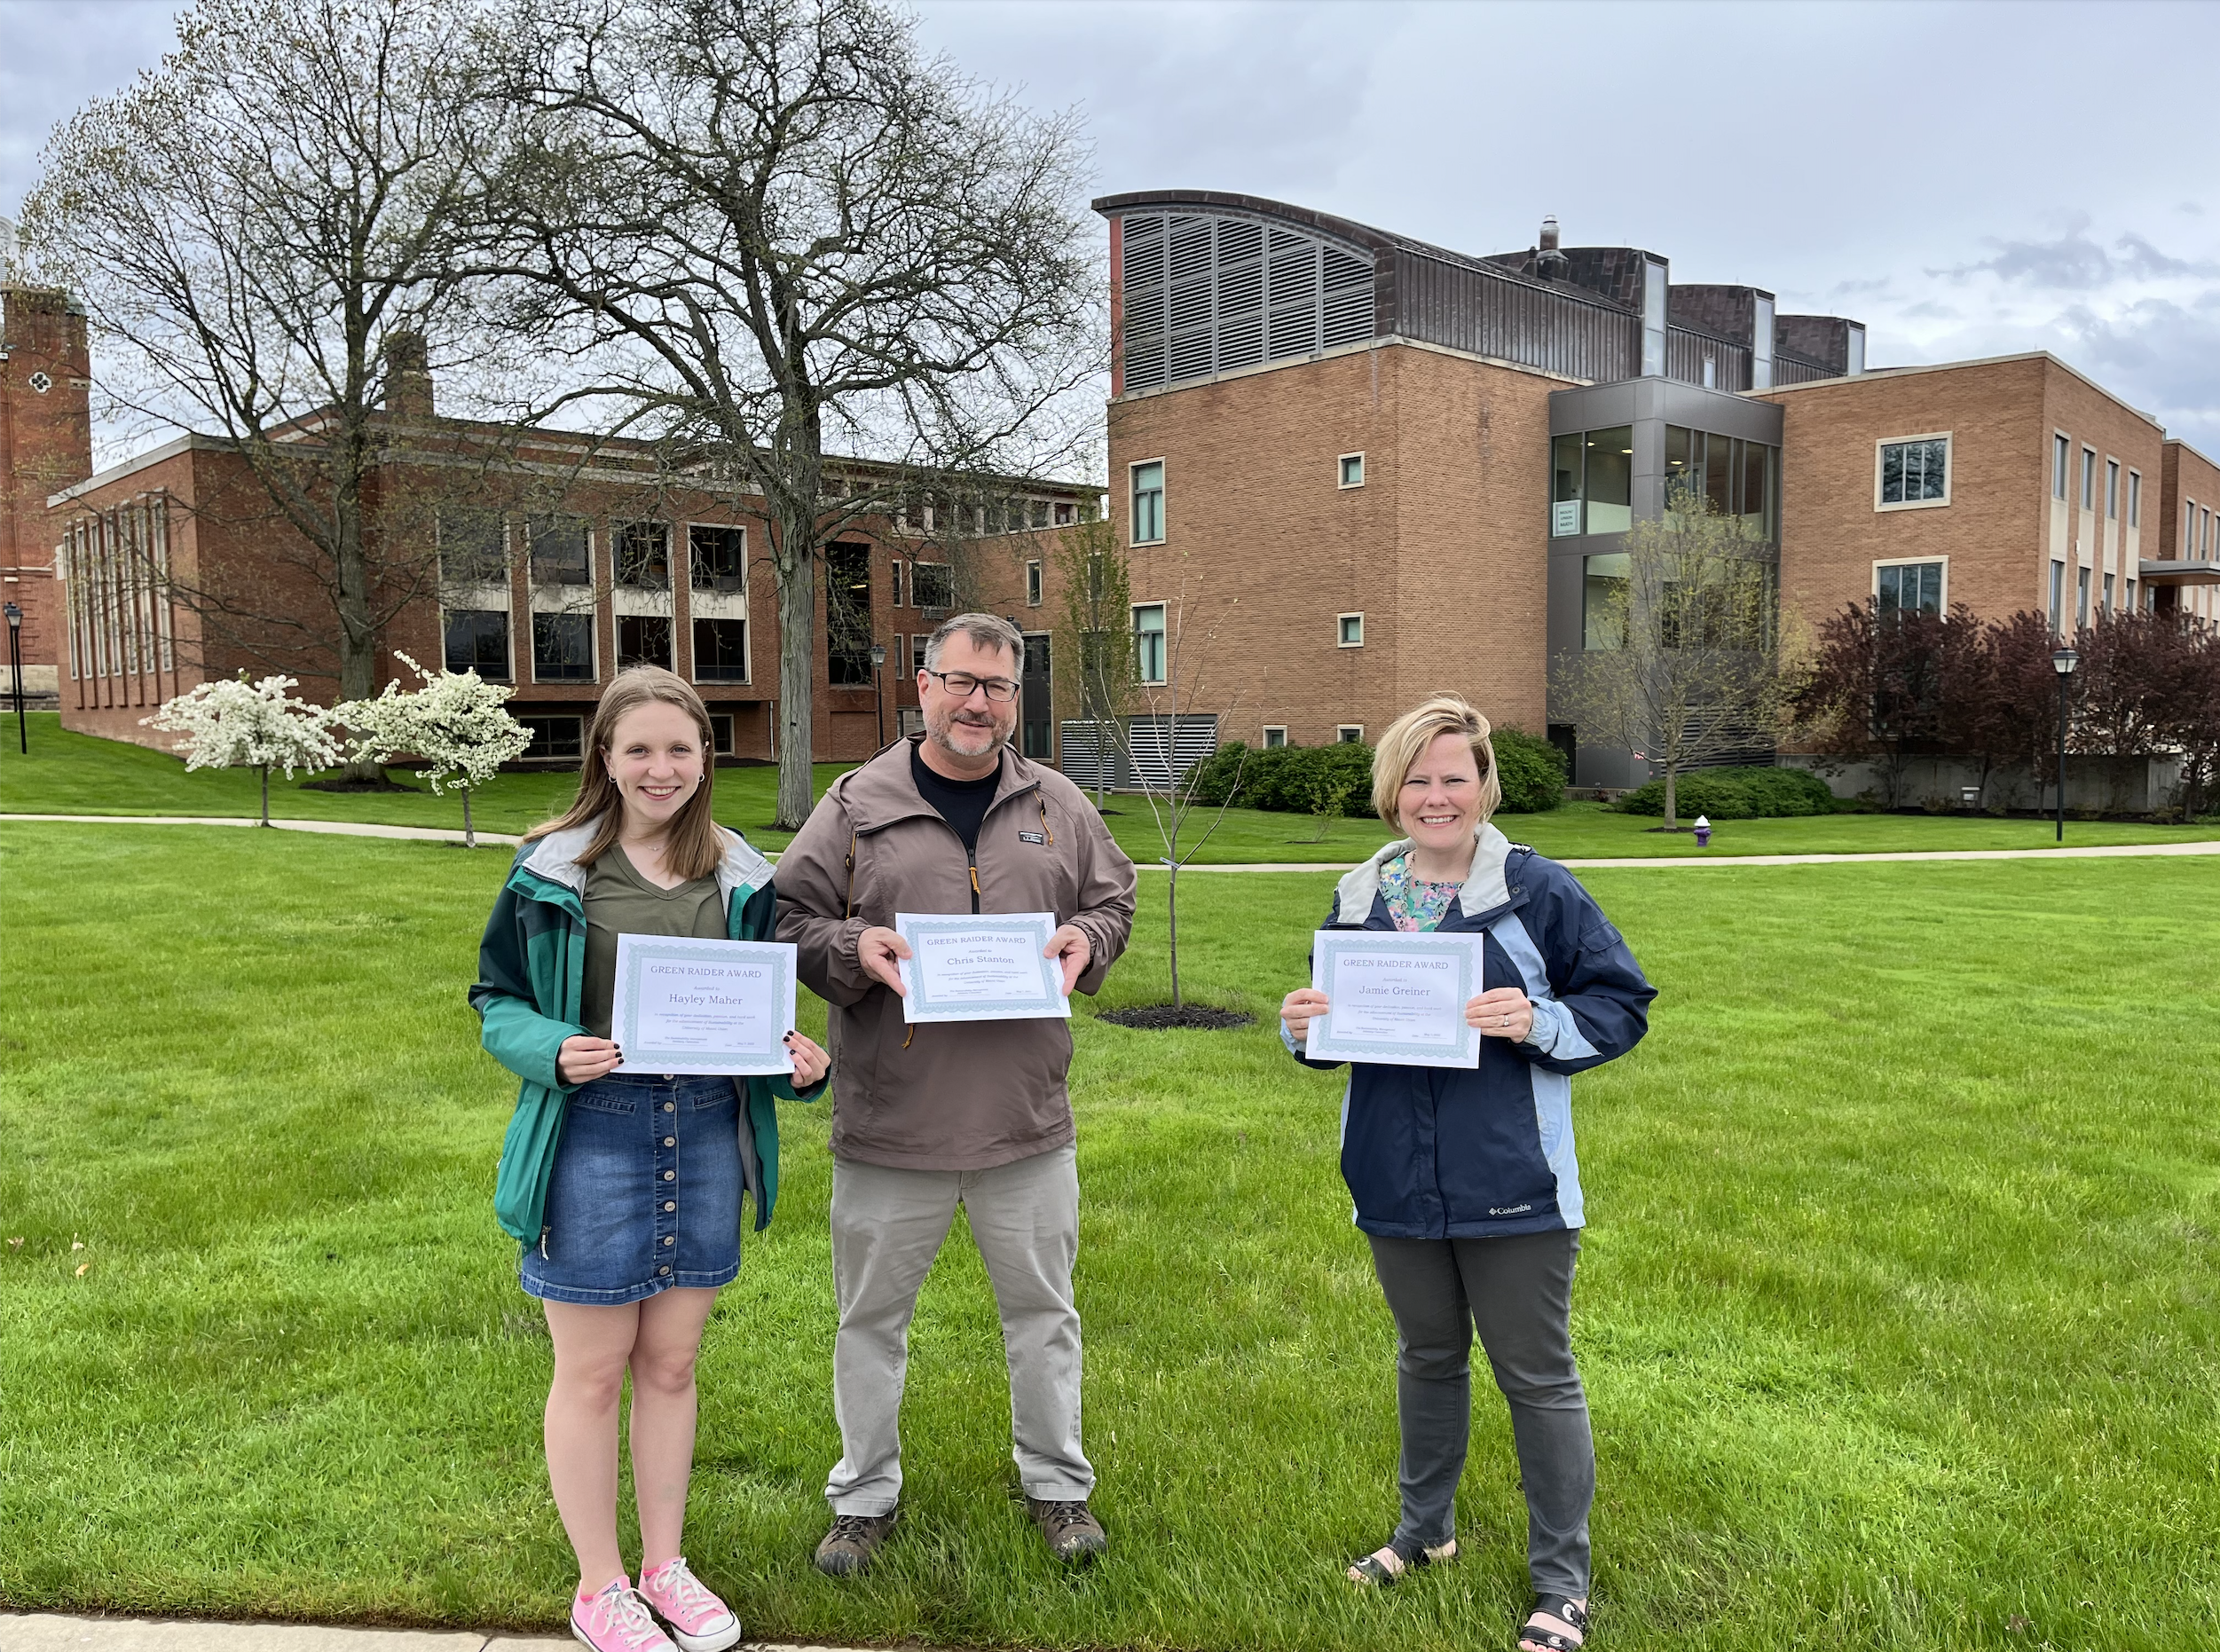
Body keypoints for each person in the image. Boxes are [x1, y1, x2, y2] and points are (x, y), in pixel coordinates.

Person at [1278, 695, 1654, 1652]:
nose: (1435, 795)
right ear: (1391, 791)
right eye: (1417, 777)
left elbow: (1620, 1000)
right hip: (1393, 1178)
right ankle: (1424, 1531)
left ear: (1486, 787)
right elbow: (1343, 1031)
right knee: (1427, 1359)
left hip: (1513, 1177)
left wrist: (1539, 1021)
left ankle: (1561, 1583)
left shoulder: (1538, 890)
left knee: (1537, 1376)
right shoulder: (1360, 894)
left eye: (1455, 777)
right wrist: (1306, 1031)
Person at [471, 666, 830, 1652]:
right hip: (594, 1128)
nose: (660, 767)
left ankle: (665, 1564)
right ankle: (602, 1584)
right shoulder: (552, 866)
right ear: (606, 757)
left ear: (707, 756)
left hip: (708, 1130)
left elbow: (759, 1011)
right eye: (639, 749)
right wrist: (548, 1047)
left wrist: (796, 1059)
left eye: (679, 748)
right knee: (591, 1371)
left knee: (671, 1363)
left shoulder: (744, 876)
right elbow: (495, 999)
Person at [775, 612, 1137, 1576]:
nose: (979, 702)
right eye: (961, 681)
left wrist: (1087, 941)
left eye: (1000, 686)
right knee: (871, 1322)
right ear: (923, 686)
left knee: (1043, 1317)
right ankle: (863, 1498)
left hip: (1024, 1120)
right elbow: (786, 914)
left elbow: (1114, 899)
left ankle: (1059, 1488)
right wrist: (855, 947)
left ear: (1018, 698)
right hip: (893, 1119)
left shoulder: (1057, 802)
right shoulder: (856, 802)